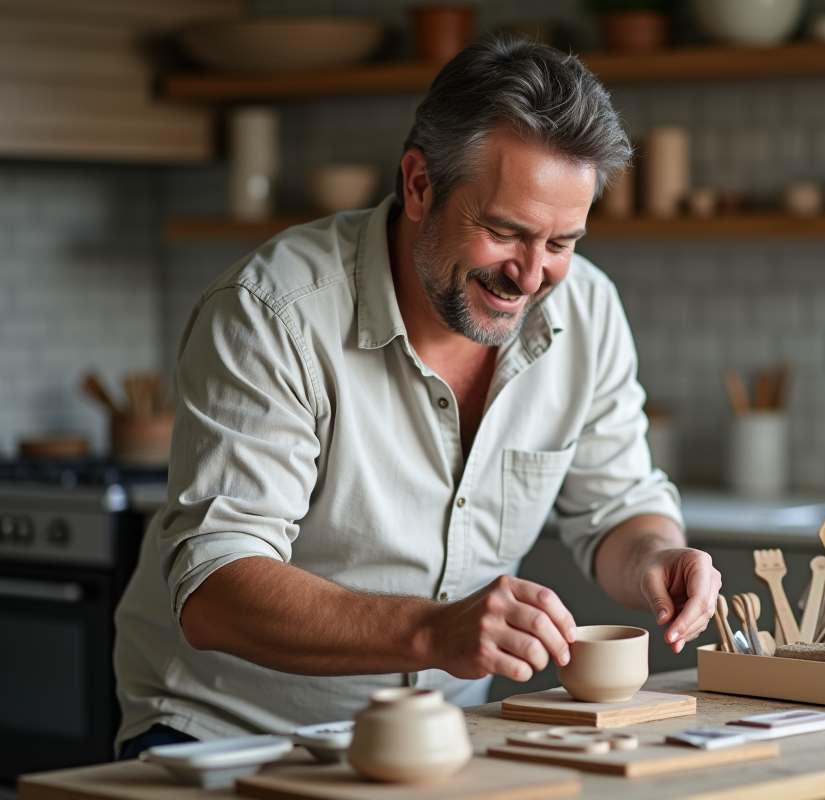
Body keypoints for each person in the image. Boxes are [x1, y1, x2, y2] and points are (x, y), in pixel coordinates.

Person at [113, 37, 721, 757]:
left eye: (562, 242)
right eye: (505, 232)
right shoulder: (271, 314)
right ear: (420, 185)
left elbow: (617, 506)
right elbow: (215, 589)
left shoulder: (586, 312)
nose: (531, 277)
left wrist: (655, 555)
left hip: (435, 739)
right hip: (228, 737)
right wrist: (434, 630)